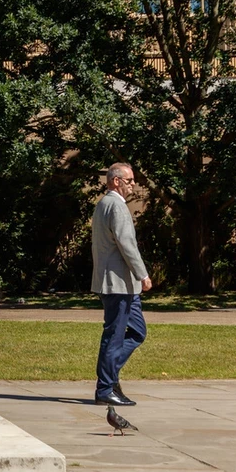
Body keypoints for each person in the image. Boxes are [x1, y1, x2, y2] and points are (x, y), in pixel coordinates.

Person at [92, 162, 152, 406]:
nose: (133, 185)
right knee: (114, 336)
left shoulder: (107, 204)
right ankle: (105, 388)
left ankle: (109, 375)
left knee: (137, 332)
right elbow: (127, 244)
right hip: (117, 284)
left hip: (123, 286)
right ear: (116, 181)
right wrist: (142, 274)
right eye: (129, 180)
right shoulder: (115, 205)